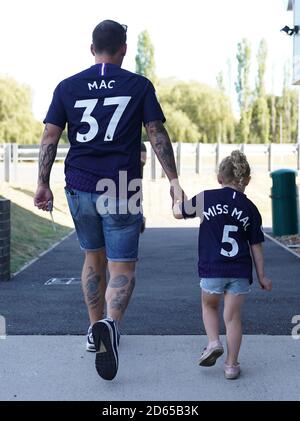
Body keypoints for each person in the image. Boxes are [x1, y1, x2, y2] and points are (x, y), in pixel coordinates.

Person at [34, 19, 184, 381]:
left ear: (91, 49)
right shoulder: (138, 85)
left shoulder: (67, 86)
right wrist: (174, 181)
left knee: (92, 257)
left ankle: (93, 329)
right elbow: (155, 133)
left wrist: (42, 183)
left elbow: (49, 137)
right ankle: (110, 326)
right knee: (123, 267)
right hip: (121, 185)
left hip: (80, 184)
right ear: (123, 50)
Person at [173, 150, 272, 380]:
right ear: (246, 180)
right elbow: (256, 245)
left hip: (212, 268)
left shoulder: (207, 198)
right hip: (239, 271)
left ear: (220, 179)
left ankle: (213, 342)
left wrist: (177, 199)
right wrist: (262, 276)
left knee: (209, 306)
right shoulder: (250, 209)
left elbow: (179, 213)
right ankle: (231, 366)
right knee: (233, 318)